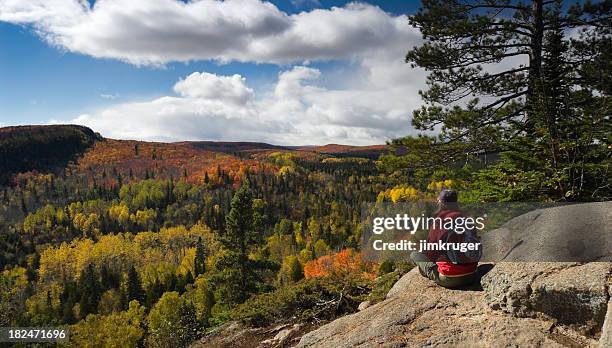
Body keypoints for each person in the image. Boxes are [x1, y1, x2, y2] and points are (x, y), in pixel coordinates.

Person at [410, 189, 480, 288]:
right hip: (472, 274)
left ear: (441, 203)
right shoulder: (466, 218)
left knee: (414, 255)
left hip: (450, 278)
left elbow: (431, 254)